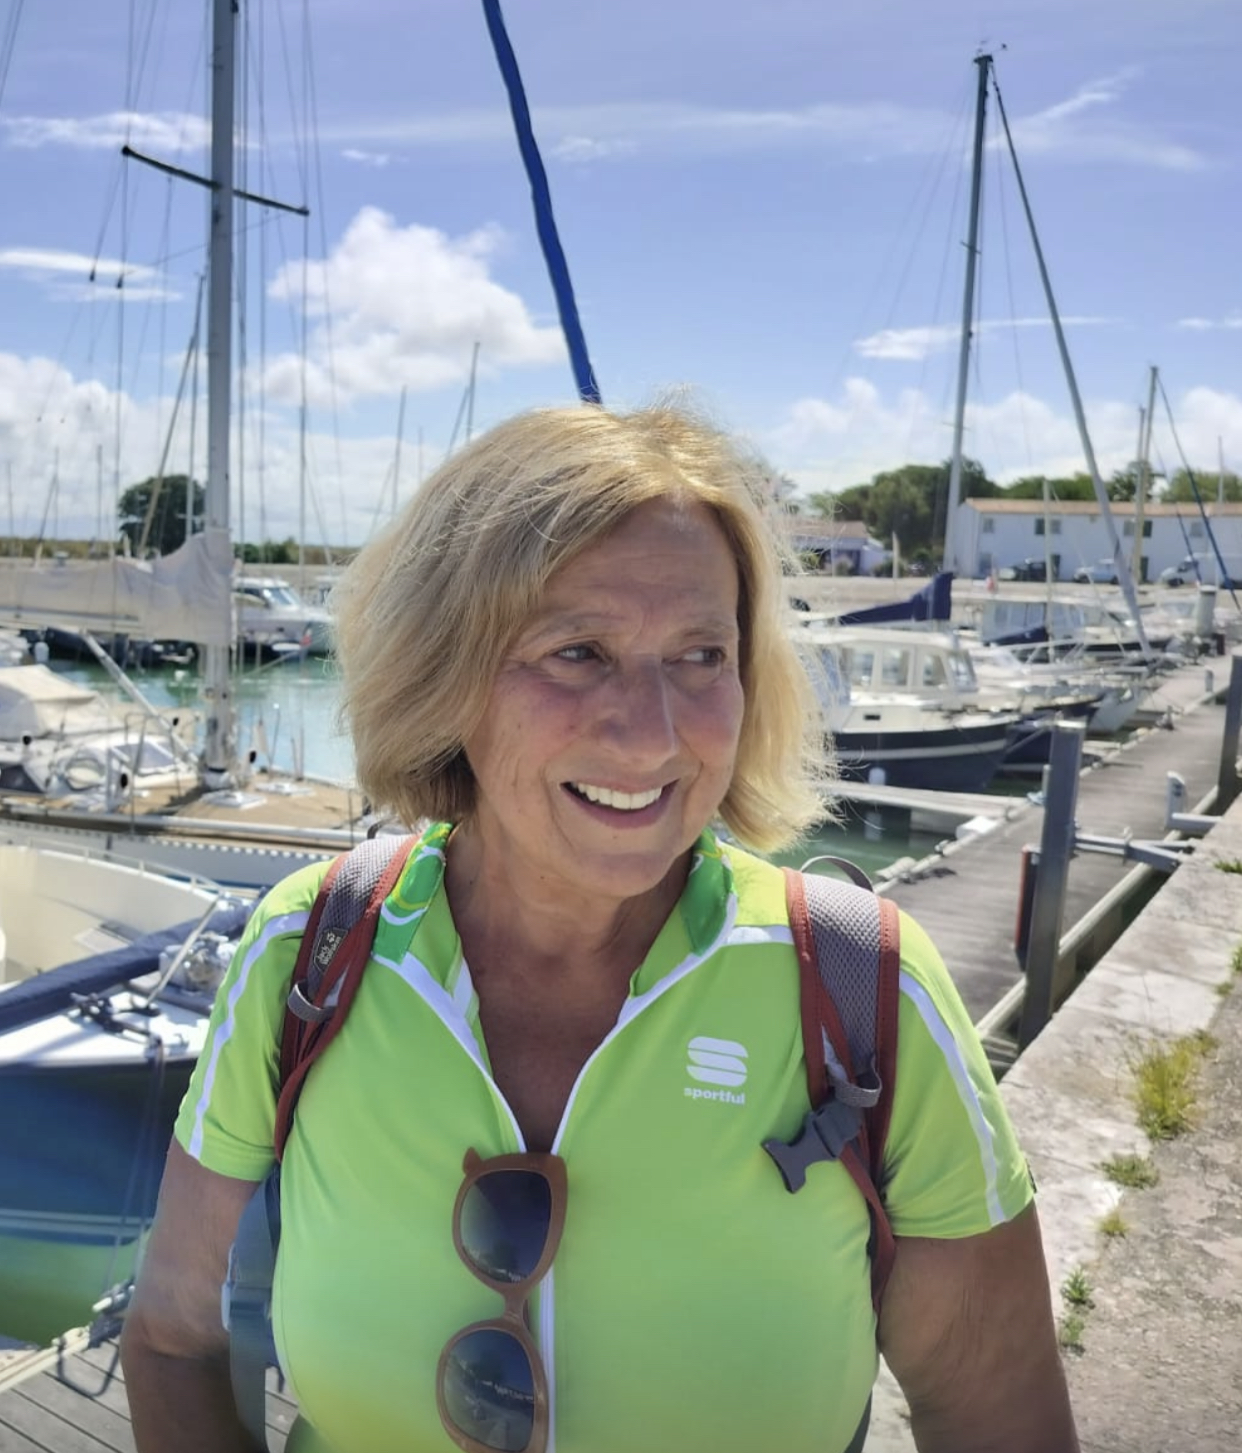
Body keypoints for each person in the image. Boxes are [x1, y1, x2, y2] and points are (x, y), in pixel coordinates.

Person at [121, 403, 1079, 1453]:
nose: (652, 735)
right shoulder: (309, 952)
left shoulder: (862, 986)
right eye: (578, 651)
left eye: (702, 654)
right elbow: (170, 1335)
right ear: (443, 672)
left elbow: (997, 1414)